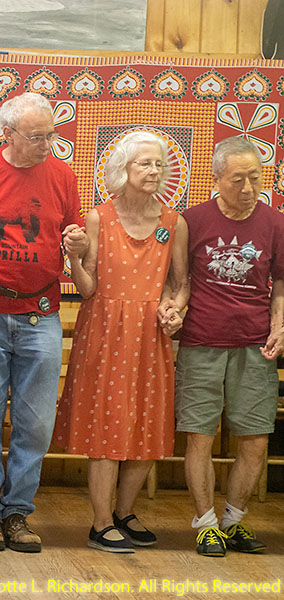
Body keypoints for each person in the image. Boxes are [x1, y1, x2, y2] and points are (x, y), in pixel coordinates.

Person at [0, 91, 87, 553]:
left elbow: (74, 233)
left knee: (37, 423)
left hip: (41, 312)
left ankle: (18, 513)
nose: (47, 144)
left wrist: (77, 242)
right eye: (36, 136)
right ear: (7, 133)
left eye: (51, 135)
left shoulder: (63, 176)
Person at [52, 131, 188, 553]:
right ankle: (100, 523)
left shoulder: (174, 222)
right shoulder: (98, 218)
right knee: (106, 428)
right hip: (105, 330)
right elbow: (87, 288)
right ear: (122, 169)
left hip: (150, 335)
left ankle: (125, 514)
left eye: (158, 164)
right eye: (144, 163)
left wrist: (174, 308)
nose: (154, 171)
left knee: (149, 426)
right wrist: (73, 257)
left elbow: (180, 283)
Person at [170, 136, 284, 557]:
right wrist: (172, 310)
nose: (248, 188)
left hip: (256, 345)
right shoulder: (192, 221)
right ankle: (205, 524)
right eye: (238, 179)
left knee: (255, 439)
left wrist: (280, 324)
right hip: (201, 342)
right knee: (199, 436)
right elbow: (178, 280)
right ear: (216, 179)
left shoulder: (275, 223)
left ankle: (233, 520)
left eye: (255, 177)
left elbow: (280, 281)